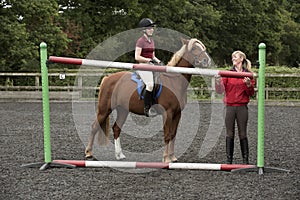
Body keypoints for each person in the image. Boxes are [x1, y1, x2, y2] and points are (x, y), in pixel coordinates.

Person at [215, 50, 255, 164]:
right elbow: (219, 91)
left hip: (242, 107)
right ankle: (229, 160)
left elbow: (251, 93)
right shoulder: (227, 74)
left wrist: (248, 85)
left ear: (241, 59)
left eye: (235, 57)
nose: (233, 58)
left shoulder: (248, 74)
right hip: (229, 107)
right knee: (229, 133)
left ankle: (245, 160)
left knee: (243, 133)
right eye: (232, 57)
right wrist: (218, 82)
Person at [135, 18, 162, 117]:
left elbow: (152, 55)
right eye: (149, 28)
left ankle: (156, 103)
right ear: (144, 30)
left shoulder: (151, 41)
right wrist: (148, 61)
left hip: (151, 65)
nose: (152, 29)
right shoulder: (140, 41)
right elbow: (137, 57)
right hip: (142, 66)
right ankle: (147, 108)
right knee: (150, 85)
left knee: (159, 82)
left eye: (152, 28)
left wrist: (159, 61)